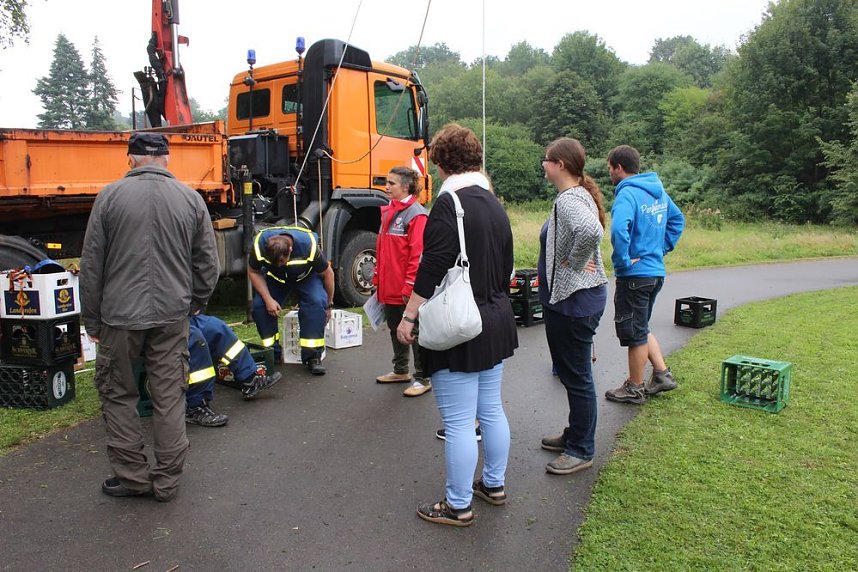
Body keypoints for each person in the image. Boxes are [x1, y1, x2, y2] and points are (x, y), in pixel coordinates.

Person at [80, 132, 219, 502]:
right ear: (167, 159)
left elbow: (92, 264)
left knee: (118, 394)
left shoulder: (109, 197)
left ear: (130, 159)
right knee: (169, 395)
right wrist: (195, 301)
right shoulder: (191, 199)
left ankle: (132, 478)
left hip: (119, 316)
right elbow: (208, 263)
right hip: (173, 314)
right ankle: (167, 481)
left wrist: (91, 320)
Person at [397, 123, 517, 527]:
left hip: (461, 324)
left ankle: (458, 504)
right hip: (495, 318)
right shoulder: (493, 202)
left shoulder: (450, 204)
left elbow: (432, 266)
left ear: (442, 163)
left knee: (460, 422)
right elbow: (506, 265)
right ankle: (494, 485)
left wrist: (410, 315)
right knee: (492, 410)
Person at [538, 138, 609, 475]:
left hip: (574, 303)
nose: (543, 164)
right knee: (572, 375)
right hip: (572, 302)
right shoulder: (576, 195)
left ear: (560, 165)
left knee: (578, 378)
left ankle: (581, 450)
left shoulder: (569, 200)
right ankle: (576, 434)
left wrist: (573, 264)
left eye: (546, 159)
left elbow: (591, 231)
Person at [604, 145, 685, 405]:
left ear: (619, 167)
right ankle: (661, 374)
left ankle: (634, 387)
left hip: (635, 275)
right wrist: (661, 248)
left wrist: (623, 261)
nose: (609, 173)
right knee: (641, 325)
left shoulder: (627, 193)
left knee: (635, 333)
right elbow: (677, 220)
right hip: (655, 272)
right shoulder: (657, 192)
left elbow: (619, 229)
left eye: (610, 168)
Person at [372, 167, 431, 397]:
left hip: (405, 289)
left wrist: (409, 286)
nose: (386, 187)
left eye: (391, 183)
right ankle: (400, 370)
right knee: (394, 329)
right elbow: (383, 250)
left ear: (406, 187)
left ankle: (423, 378)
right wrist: (377, 278)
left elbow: (418, 256)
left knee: (413, 332)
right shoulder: (389, 210)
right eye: (386, 182)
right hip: (389, 286)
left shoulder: (416, 215)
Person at [247, 225, 335, 376]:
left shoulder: (308, 245)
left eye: (282, 261)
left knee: (316, 303)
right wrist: (268, 299)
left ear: (290, 250)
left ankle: (313, 357)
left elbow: (328, 274)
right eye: (274, 262)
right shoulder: (259, 245)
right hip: (275, 279)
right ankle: (272, 354)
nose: (279, 265)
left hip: (306, 277)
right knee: (260, 307)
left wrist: (329, 305)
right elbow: (253, 271)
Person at [185, 314, 283, 427]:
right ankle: (194, 406)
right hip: (169, 323)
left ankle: (249, 379)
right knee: (194, 338)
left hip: (182, 316)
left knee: (215, 327)